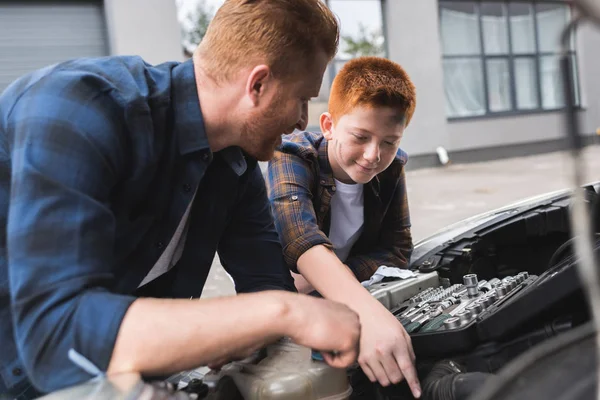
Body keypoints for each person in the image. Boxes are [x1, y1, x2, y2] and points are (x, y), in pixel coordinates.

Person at [0, 1, 362, 398]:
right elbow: (55, 337)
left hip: (123, 374)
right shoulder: (82, 108)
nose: (301, 121)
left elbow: (265, 286)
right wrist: (283, 314)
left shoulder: (235, 163)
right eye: (302, 99)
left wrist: (257, 324)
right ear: (258, 85)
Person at [267, 57, 420, 397]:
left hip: (337, 297)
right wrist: (361, 306)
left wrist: (335, 281)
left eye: (389, 142)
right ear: (329, 124)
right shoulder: (290, 155)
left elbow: (398, 249)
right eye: (360, 136)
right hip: (281, 309)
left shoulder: (392, 167)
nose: (372, 155)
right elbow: (300, 238)